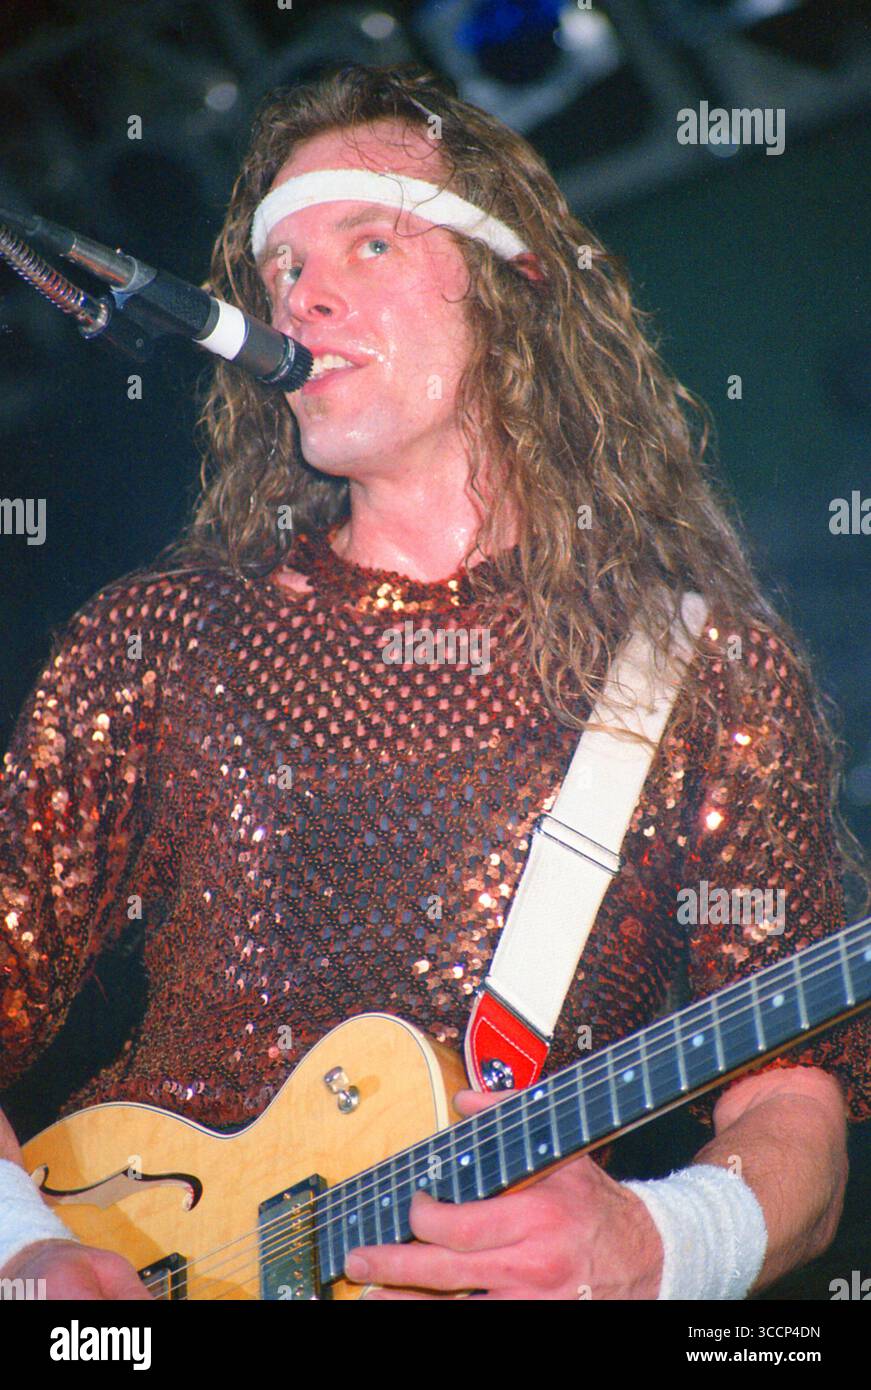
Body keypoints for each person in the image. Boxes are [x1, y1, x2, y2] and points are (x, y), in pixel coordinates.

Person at [0, 64, 868, 1302]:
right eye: (283, 270)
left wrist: (657, 1242)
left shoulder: (707, 674)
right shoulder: (157, 639)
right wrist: (27, 1250)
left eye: (367, 240)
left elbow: (796, 1110)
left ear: (511, 287)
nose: (304, 296)